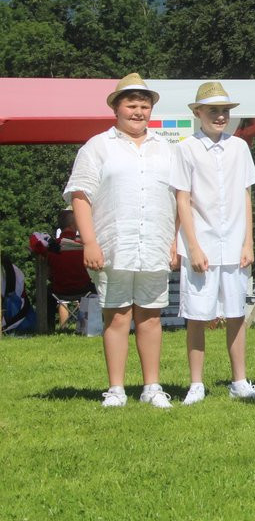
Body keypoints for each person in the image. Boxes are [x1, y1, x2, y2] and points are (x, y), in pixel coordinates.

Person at [63, 73, 176, 408]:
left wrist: (174, 243)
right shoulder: (97, 146)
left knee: (151, 316)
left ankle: (152, 387)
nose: (138, 112)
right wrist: (90, 242)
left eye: (144, 105)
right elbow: (80, 196)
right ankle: (116, 389)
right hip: (114, 243)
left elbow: (181, 198)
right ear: (116, 108)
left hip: (155, 241)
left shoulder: (167, 149)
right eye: (131, 105)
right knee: (117, 316)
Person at [171, 82, 255, 404]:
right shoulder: (185, 148)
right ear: (198, 113)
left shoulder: (239, 148)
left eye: (224, 111)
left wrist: (248, 241)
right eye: (213, 111)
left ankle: (239, 379)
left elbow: (246, 195)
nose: (220, 116)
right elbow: (183, 199)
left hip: (235, 243)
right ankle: (196, 383)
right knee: (197, 314)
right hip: (202, 243)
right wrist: (192, 245)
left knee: (236, 313)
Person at [29, 209, 95, 329]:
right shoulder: (85, 246)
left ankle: (48, 326)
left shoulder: (51, 247)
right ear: (74, 225)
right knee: (97, 288)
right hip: (85, 290)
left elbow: (36, 247)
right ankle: (88, 326)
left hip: (59, 290)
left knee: (47, 291)